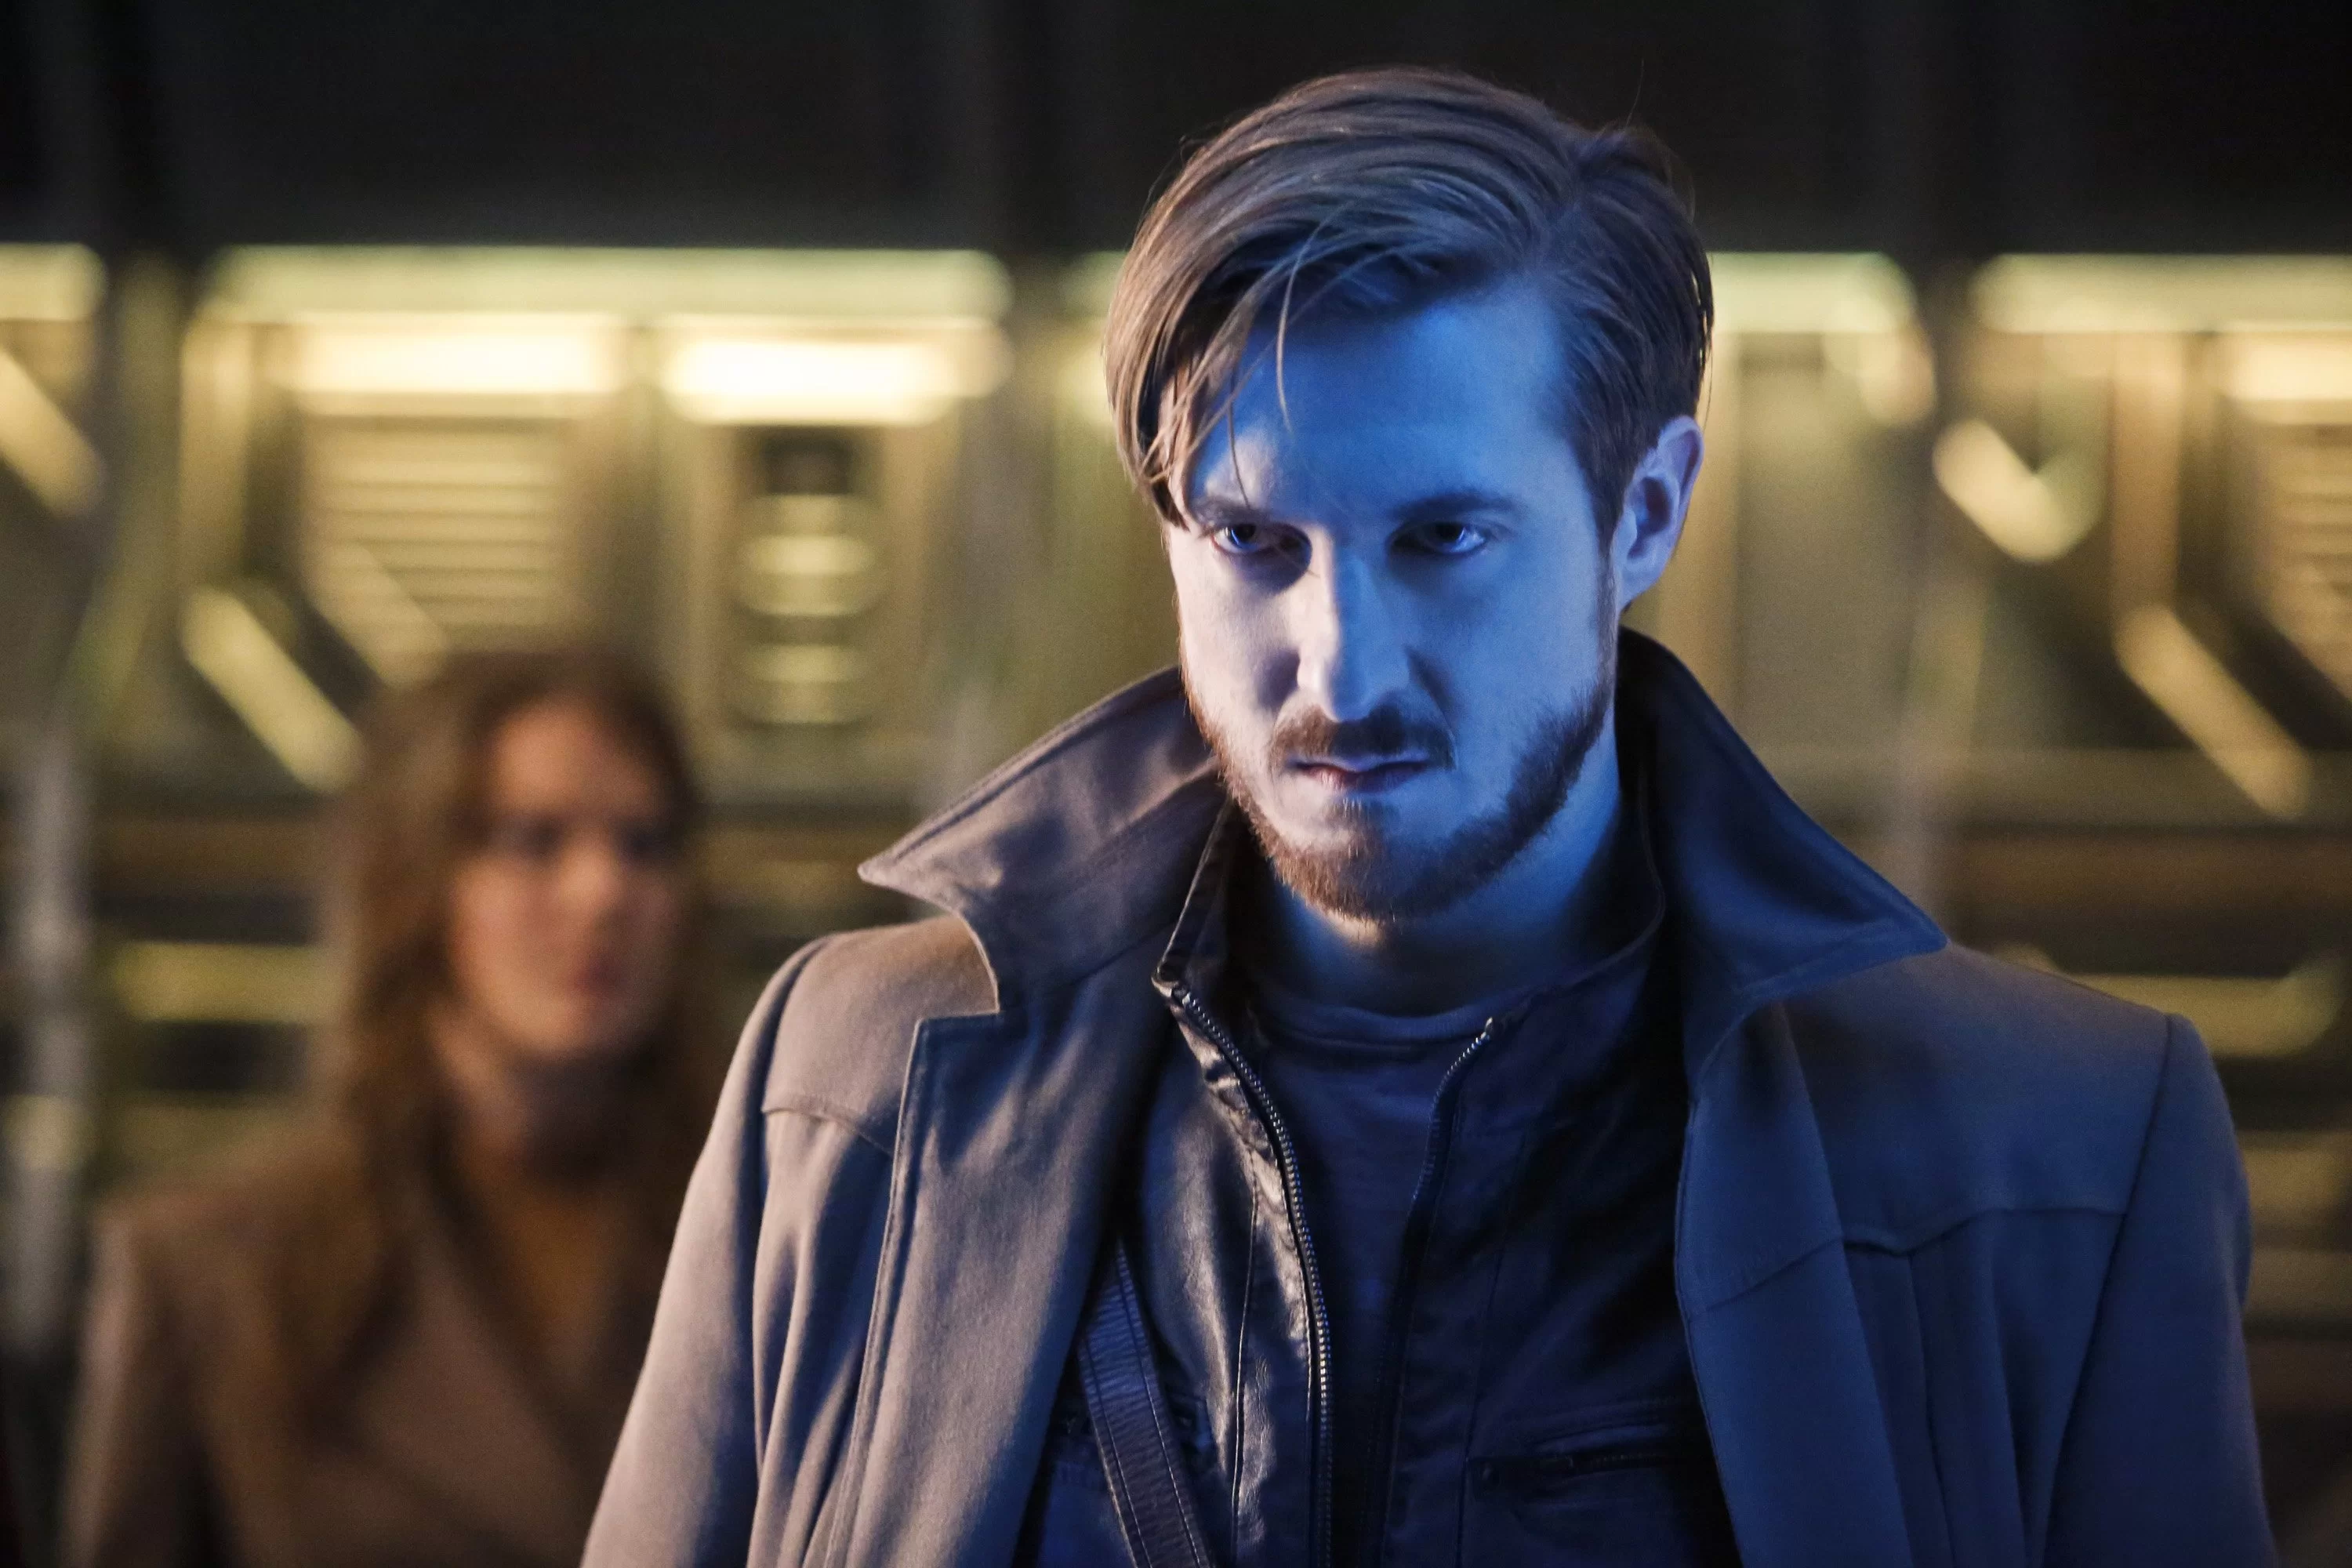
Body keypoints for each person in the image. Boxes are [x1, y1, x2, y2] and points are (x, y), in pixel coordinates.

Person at [586, 67, 2273, 1568]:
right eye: (1256, 543)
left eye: (1443, 540)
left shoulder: (2057, 1146)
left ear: (1645, 513)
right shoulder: (853, 1079)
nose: (1343, 667)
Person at [67, 647, 717, 1568]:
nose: (604, 891)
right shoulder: (208, 1273)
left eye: (644, 843)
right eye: (533, 839)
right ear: (413, 880)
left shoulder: (779, 1245)